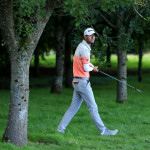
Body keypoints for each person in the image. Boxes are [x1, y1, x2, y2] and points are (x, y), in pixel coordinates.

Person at [57, 28, 118, 136]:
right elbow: (85, 68)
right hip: (82, 83)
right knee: (93, 107)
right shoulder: (84, 49)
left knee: (73, 108)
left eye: (94, 35)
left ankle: (60, 129)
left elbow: (82, 64)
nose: (93, 37)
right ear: (85, 36)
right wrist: (93, 69)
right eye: (90, 35)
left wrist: (91, 66)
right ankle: (103, 131)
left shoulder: (82, 47)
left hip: (76, 82)